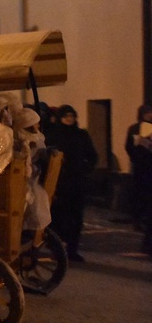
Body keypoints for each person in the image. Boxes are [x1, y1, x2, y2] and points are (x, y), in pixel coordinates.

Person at [46, 104, 98, 262]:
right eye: (66, 116)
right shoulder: (53, 135)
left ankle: (73, 249)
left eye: (72, 116)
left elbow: (92, 155)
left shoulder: (81, 134)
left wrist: (85, 169)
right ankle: (57, 250)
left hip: (76, 182)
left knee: (75, 217)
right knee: (58, 217)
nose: (69, 119)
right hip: (59, 183)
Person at [125, 104, 152, 255]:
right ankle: (137, 219)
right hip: (141, 167)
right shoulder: (135, 128)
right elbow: (129, 146)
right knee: (140, 195)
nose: (150, 115)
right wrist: (137, 150)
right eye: (147, 113)